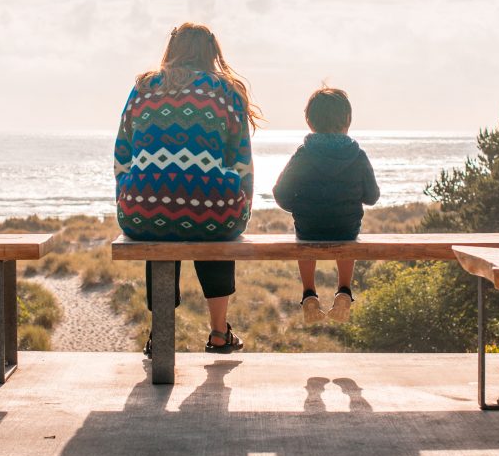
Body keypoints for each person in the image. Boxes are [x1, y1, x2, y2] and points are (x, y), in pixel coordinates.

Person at [114, 23, 259, 354]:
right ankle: (220, 333)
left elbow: (123, 154)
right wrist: (240, 208)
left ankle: (160, 332)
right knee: (214, 207)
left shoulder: (144, 87)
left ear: (173, 48)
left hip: (141, 213)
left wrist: (129, 198)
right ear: (212, 52)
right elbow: (241, 162)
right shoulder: (226, 91)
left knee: (158, 212)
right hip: (217, 215)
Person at [272, 87, 380, 324]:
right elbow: (372, 196)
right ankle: (344, 290)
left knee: (305, 237)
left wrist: (299, 206)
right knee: (348, 237)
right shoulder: (357, 155)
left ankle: (309, 293)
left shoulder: (303, 155)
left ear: (309, 121)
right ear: (348, 120)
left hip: (309, 226)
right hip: (346, 227)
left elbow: (280, 193)